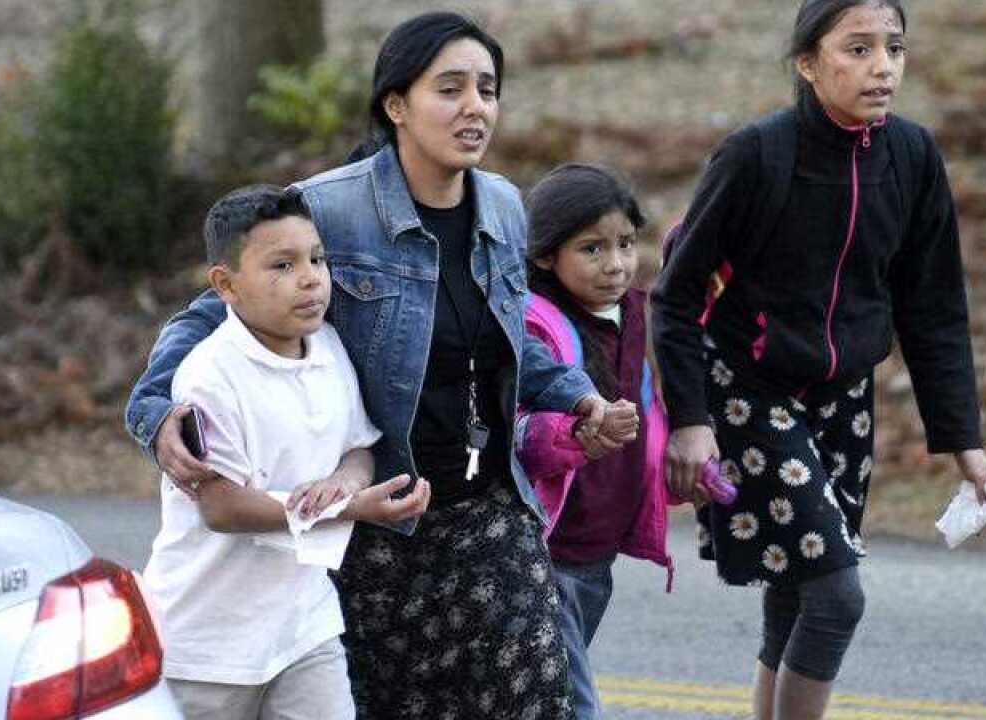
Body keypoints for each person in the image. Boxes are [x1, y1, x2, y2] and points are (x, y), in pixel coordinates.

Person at [124, 12, 632, 719]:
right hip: (377, 528)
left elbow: (510, 340)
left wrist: (581, 400)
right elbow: (212, 315)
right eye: (449, 88)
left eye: (487, 89)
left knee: (541, 699)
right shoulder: (331, 210)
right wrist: (154, 414)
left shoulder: (507, 209)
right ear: (397, 105)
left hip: (490, 514)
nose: (474, 107)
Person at [651, 1, 986, 719]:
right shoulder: (756, 156)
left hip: (843, 398)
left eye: (895, 48)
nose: (882, 66)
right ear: (808, 63)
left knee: (799, 590)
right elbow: (675, 297)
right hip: (747, 390)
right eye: (858, 49)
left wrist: (964, 443)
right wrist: (690, 421)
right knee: (838, 594)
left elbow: (933, 307)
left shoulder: (912, 156)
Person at [141, 184, 430, 720]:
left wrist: (345, 484)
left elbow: (358, 449)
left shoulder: (328, 346)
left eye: (316, 259)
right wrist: (350, 509)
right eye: (281, 265)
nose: (310, 278)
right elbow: (222, 508)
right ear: (226, 284)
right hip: (205, 645)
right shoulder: (208, 376)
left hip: (303, 629)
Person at [517, 164, 672, 720]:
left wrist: (684, 467)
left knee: (541, 701)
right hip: (545, 553)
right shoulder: (535, 323)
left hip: (597, 552)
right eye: (591, 249)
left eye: (626, 244)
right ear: (543, 256)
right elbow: (517, 433)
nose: (615, 264)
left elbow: (645, 406)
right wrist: (576, 435)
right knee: (573, 705)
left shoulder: (632, 311)